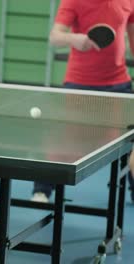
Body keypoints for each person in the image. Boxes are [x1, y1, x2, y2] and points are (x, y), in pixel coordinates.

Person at [32, 0, 134, 203]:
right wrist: (75, 39)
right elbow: (55, 37)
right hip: (79, 84)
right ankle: (42, 190)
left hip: (119, 84)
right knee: (63, 142)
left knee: (127, 143)